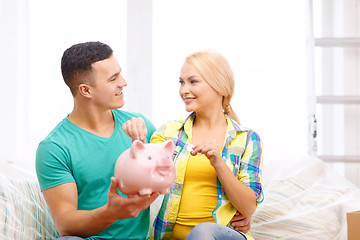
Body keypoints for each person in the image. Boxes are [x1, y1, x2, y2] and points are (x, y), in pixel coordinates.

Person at [35, 41, 159, 240]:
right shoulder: (54, 148)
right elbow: (65, 224)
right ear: (86, 91)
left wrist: (143, 148)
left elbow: (174, 173)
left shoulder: (140, 126)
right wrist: (111, 213)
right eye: (113, 79)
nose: (124, 82)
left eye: (120, 73)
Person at [149, 50, 264, 240]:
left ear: (219, 85)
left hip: (223, 236)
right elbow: (144, 178)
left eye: (193, 81)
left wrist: (218, 163)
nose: (184, 90)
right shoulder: (167, 133)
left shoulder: (247, 139)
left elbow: (248, 207)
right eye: (181, 82)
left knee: (203, 232)